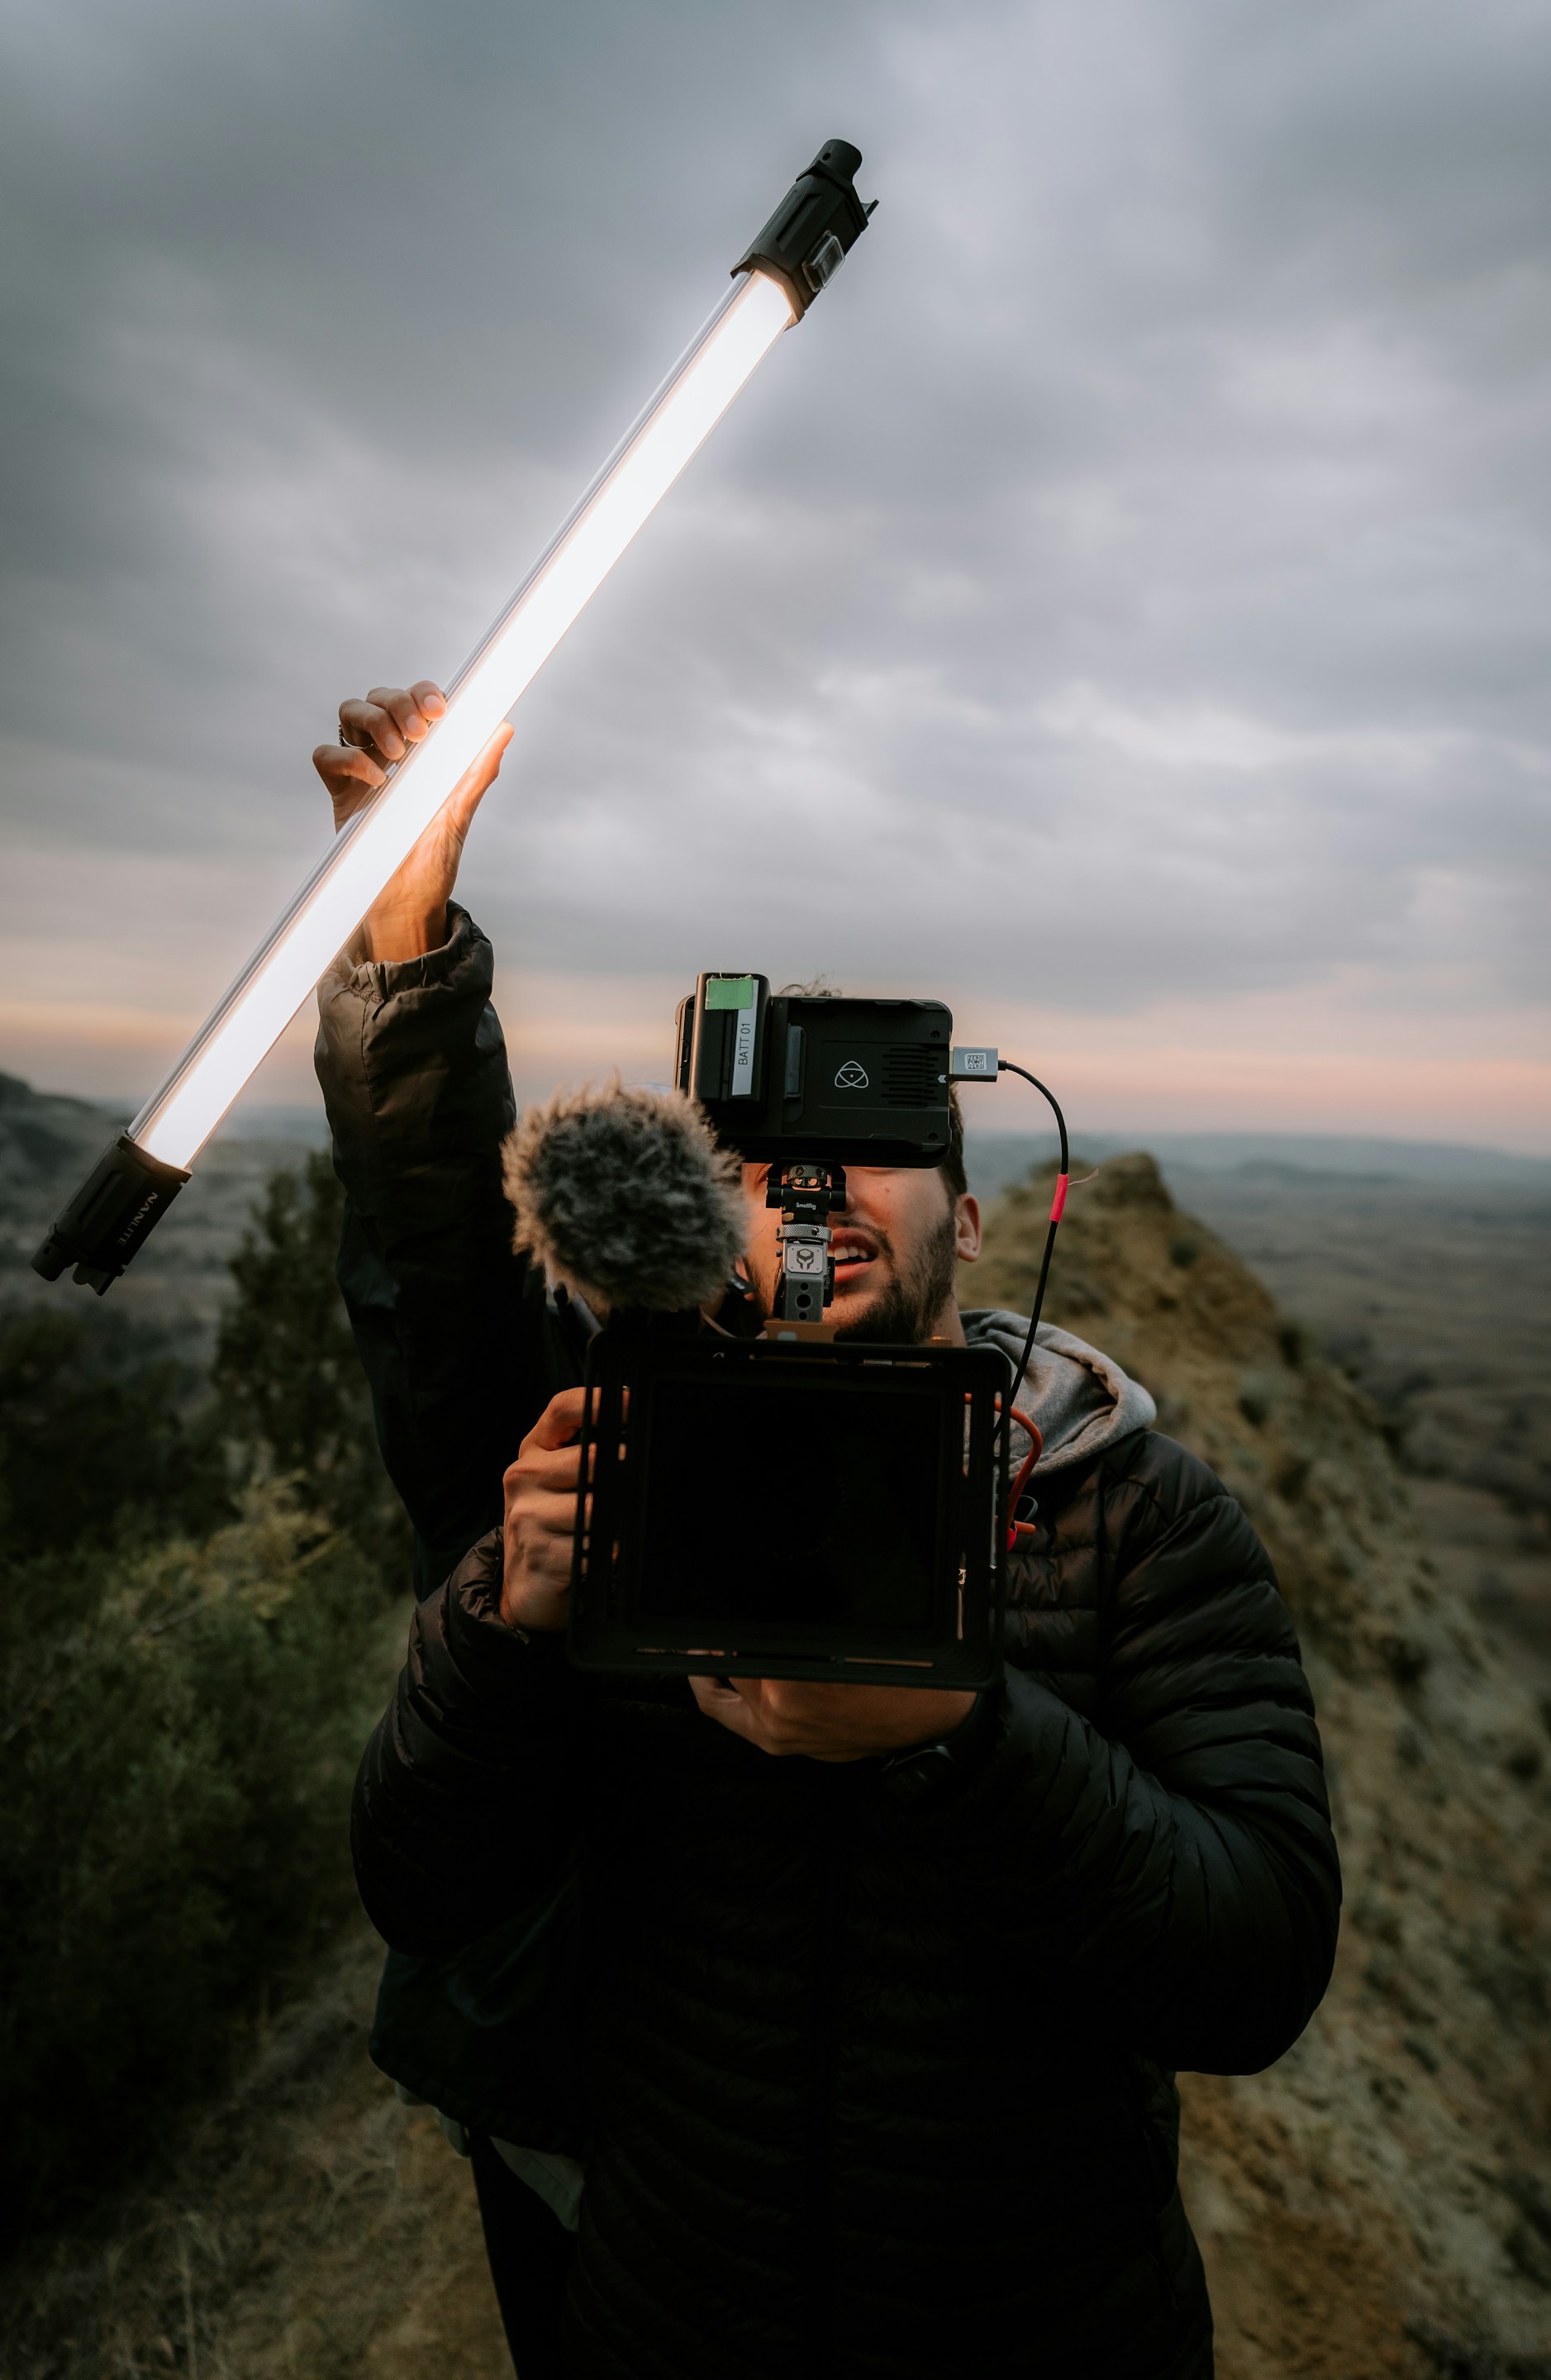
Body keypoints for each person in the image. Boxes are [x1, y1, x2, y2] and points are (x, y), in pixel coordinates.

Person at [314, 681, 1341, 2380]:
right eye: (759, 1160)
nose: (807, 1187)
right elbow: (421, 1886)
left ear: (976, 1216)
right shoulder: (623, 1467)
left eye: (868, 1150)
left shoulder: (1131, 1512)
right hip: (667, 2316)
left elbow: (1256, 1968)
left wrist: (961, 1738)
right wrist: (501, 1619)